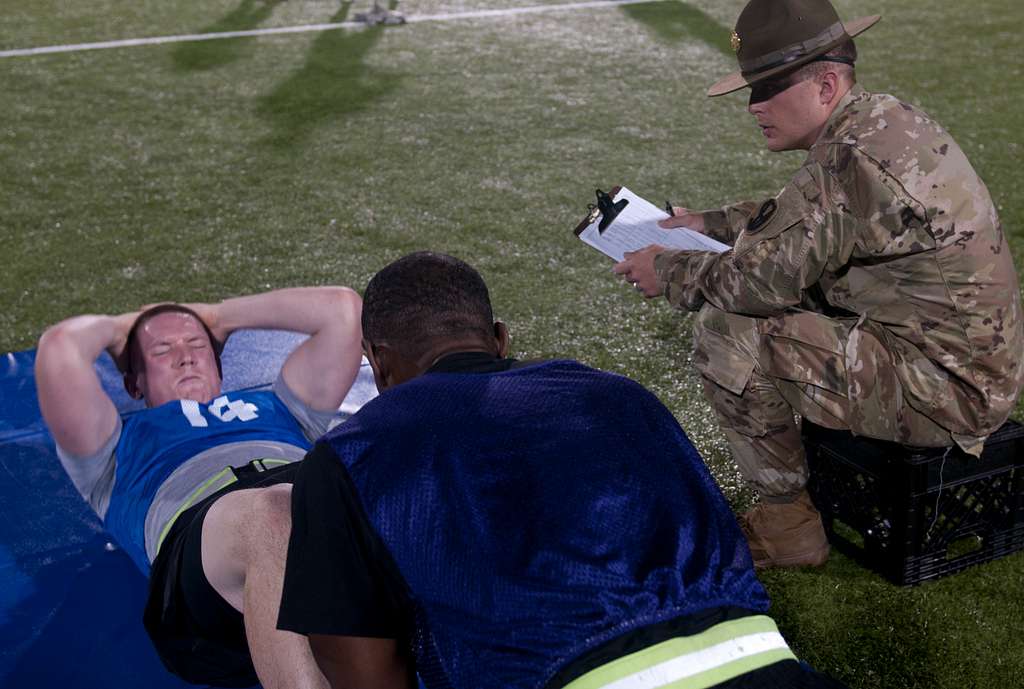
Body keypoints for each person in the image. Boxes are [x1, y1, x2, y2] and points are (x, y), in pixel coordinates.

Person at [277, 252, 848, 689]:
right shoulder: (623, 395)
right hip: (766, 664)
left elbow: (363, 672)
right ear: (501, 339)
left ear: (375, 363)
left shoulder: (351, 454)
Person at [612, 0, 1024, 569]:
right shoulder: (878, 122)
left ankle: (787, 529)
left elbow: (757, 283)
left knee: (727, 330)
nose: (754, 107)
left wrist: (668, 270)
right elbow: (801, 221)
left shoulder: (850, 158)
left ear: (826, 84)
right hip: (969, 368)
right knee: (790, 295)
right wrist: (705, 224)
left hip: (948, 395)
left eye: (768, 89)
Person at [35, 287, 406, 689]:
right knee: (270, 516)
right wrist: (119, 328)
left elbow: (344, 310)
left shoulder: (280, 407)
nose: (186, 355)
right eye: (161, 351)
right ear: (133, 383)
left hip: (313, 497)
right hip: (207, 539)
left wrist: (218, 317)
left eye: (196, 344)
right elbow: (59, 348)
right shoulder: (114, 444)